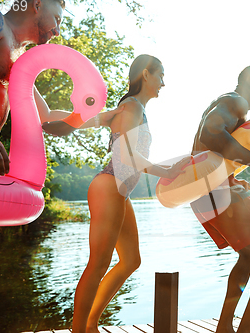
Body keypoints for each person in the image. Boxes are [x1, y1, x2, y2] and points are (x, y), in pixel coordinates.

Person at [0, 0, 122, 292]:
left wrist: (104, 118)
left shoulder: (21, 56)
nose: (57, 29)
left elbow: (47, 119)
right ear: (37, 4)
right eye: (57, 17)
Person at [71, 54, 188, 333]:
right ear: (145, 75)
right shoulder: (132, 106)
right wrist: (167, 171)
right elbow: (127, 155)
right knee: (98, 263)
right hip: (109, 185)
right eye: (160, 75)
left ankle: (90, 324)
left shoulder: (137, 109)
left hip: (119, 190)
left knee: (131, 260)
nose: (163, 82)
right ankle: (79, 330)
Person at [190, 66, 250, 333]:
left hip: (206, 194)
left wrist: (231, 179)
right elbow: (210, 133)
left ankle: (224, 327)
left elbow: (208, 151)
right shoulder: (235, 101)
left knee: (248, 256)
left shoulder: (230, 105)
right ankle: (244, 330)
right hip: (216, 194)